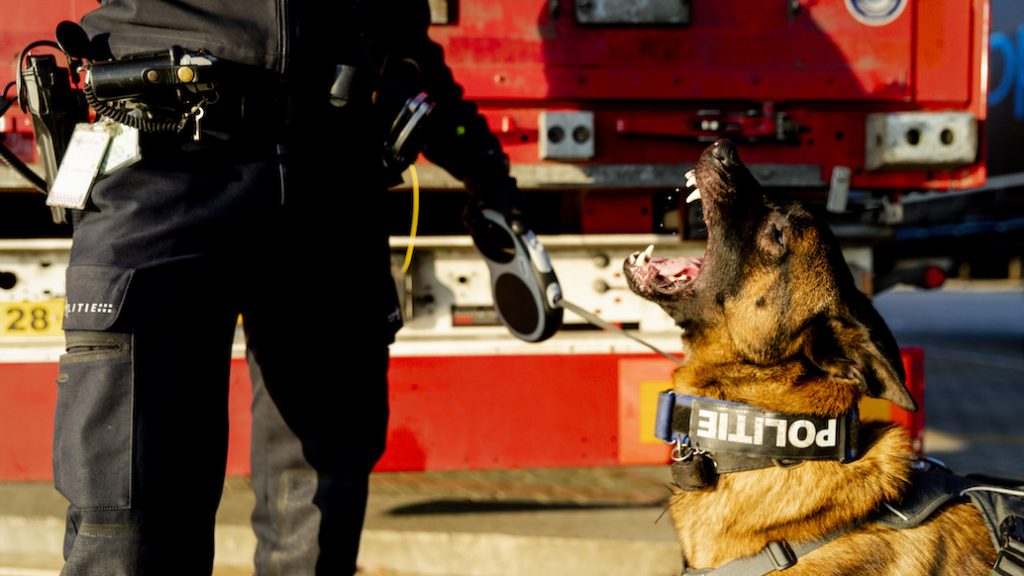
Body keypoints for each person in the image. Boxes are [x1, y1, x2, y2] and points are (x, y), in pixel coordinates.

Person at [55, 1, 520, 574]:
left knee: (320, 511)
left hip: (334, 170)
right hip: (162, 147)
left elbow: (402, 44)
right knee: (128, 521)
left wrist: (485, 170)